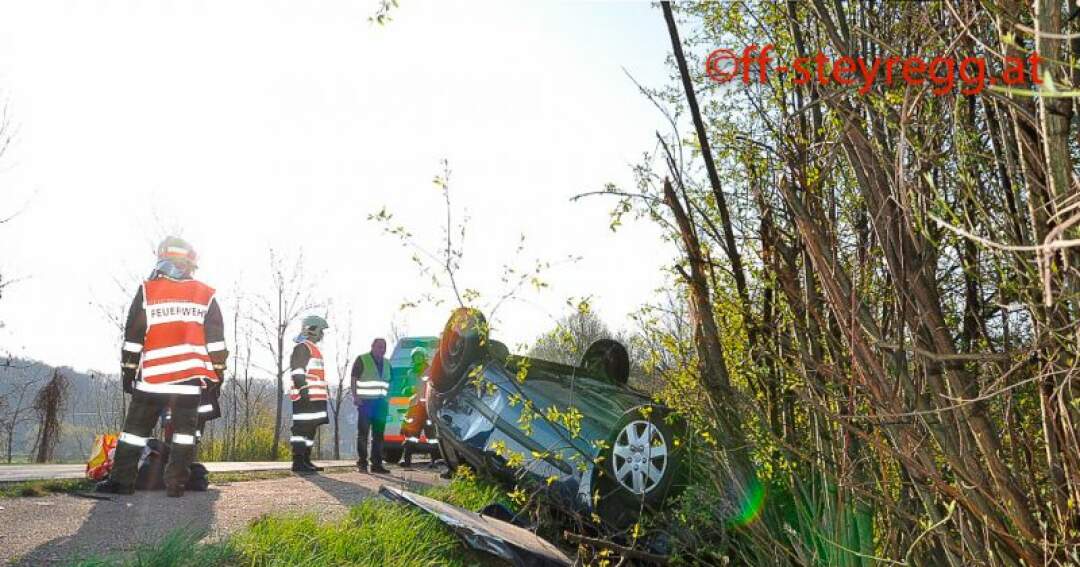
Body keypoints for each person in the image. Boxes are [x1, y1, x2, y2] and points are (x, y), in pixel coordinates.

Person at [96, 236, 227, 497]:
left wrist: (128, 371)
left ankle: (122, 482)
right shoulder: (205, 294)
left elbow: (133, 337)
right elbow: (217, 343)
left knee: (134, 433)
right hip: (188, 381)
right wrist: (217, 375)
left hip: (153, 378)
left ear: (161, 259)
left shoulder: (148, 291)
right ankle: (177, 483)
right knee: (183, 435)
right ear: (191, 264)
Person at [289, 315, 330, 473]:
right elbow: (297, 371)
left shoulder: (314, 348)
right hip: (305, 396)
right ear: (312, 329)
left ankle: (306, 459)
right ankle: (298, 462)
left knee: (311, 428)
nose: (322, 334)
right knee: (301, 429)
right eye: (321, 330)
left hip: (316, 397)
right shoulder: (302, 347)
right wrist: (303, 390)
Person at [351, 338, 391, 474]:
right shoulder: (362, 359)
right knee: (363, 434)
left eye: (384, 347)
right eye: (379, 347)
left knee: (379, 435)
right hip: (366, 403)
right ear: (372, 346)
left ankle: (377, 464)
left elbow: (391, 382)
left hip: (381, 404)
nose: (382, 349)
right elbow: (354, 378)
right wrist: (355, 396)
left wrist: (389, 398)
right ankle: (362, 463)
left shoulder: (387, 363)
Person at [400, 347, 439, 468]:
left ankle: (435, 462)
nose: (417, 358)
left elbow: (436, 386)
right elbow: (403, 390)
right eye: (415, 356)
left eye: (420, 356)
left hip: (427, 408)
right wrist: (407, 390)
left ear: (424, 357)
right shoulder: (410, 373)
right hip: (414, 408)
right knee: (411, 435)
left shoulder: (431, 371)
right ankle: (407, 461)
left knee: (432, 436)